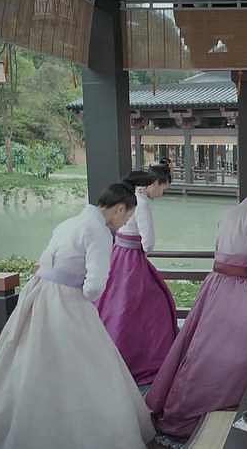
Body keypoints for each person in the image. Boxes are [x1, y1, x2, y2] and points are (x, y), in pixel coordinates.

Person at [0, 182, 155, 449]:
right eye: (127, 215)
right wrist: (85, 303)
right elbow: (95, 284)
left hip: (38, 294)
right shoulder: (99, 232)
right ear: (119, 209)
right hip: (67, 301)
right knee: (90, 363)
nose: (126, 222)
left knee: (33, 360)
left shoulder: (68, 223)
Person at [145, 171, 247, 441]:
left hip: (215, 283)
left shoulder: (227, 214)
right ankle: (243, 393)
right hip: (238, 285)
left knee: (202, 339)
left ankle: (187, 396)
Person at [95, 165, 177, 385]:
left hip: (117, 254)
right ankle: (141, 356)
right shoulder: (142, 203)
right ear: (155, 184)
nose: (162, 194)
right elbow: (148, 241)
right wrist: (144, 250)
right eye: (163, 189)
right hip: (132, 258)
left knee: (113, 302)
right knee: (151, 307)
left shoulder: (130, 198)